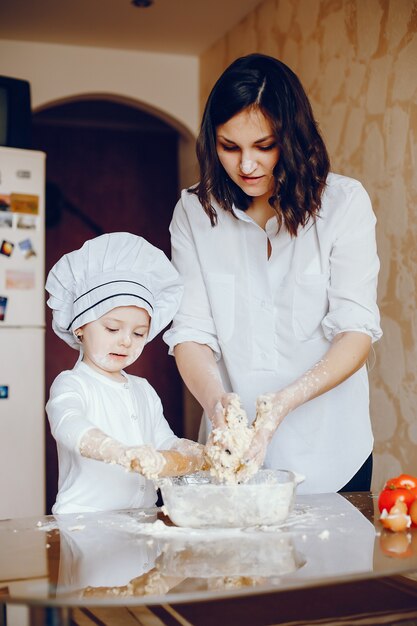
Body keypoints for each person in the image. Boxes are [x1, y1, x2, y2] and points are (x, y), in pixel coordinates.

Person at [163, 53, 382, 494]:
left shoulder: (344, 204)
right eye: (230, 147)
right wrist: (215, 401)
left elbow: (356, 330)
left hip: (333, 449)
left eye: (264, 146)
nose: (247, 165)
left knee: (336, 564)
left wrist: (283, 403)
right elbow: (190, 333)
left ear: (294, 137)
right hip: (235, 457)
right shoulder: (194, 211)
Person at [46, 232, 204, 514]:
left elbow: (162, 441)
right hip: (85, 523)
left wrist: (186, 449)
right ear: (79, 326)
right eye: (112, 328)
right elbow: (68, 425)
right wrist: (118, 452)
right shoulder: (72, 384)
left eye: (139, 333)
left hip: (141, 518)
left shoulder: (143, 389)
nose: (126, 341)